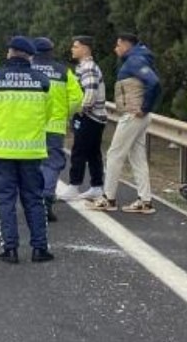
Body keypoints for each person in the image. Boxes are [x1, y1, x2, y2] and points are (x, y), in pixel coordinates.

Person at [0, 36, 54, 263]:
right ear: (29, 56)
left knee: (5, 200)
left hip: (1, 152)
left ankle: (10, 249)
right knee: (34, 199)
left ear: (10, 53)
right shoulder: (43, 81)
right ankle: (40, 249)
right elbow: (48, 115)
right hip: (32, 152)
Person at [89, 34, 161, 214]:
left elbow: (154, 83)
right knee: (137, 157)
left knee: (114, 154)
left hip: (132, 115)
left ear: (125, 45)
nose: (115, 49)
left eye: (118, 45)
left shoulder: (135, 60)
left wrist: (144, 108)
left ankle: (108, 198)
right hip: (137, 116)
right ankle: (145, 201)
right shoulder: (139, 59)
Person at [31, 37, 83, 222]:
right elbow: (77, 99)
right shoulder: (63, 72)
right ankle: (47, 196)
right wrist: (64, 113)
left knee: (32, 164)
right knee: (52, 163)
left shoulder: (26, 70)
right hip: (54, 127)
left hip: (30, 126)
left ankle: (33, 203)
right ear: (51, 51)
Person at [58, 36, 106, 200]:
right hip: (95, 117)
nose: (72, 49)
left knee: (78, 151)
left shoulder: (88, 68)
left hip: (90, 116)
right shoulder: (84, 67)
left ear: (85, 49)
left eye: (76, 46)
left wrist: (80, 110)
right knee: (93, 152)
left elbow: (90, 93)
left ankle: (74, 186)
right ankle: (96, 186)